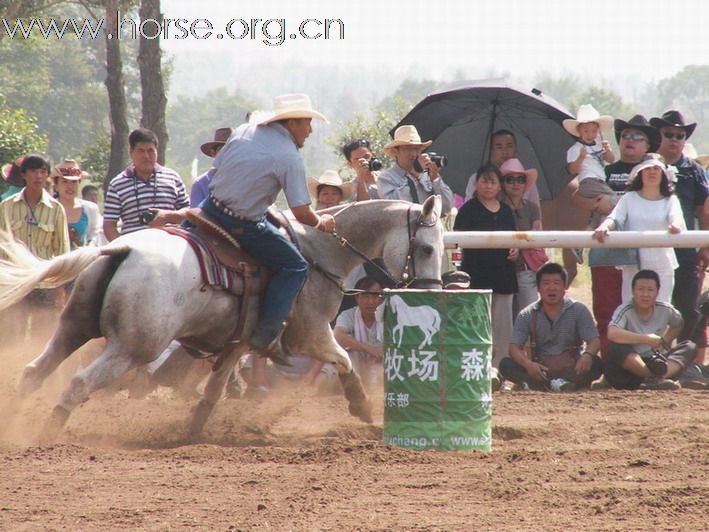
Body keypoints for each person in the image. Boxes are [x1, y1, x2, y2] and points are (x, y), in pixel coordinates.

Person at [180, 93, 336, 360]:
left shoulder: (243, 131)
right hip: (242, 223)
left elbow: (217, 169)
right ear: (292, 123)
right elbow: (300, 211)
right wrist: (321, 222)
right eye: (307, 123)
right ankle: (266, 333)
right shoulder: (289, 156)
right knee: (295, 266)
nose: (310, 131)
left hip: (209, 210)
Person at [572, 115, 660, 357]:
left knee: (646, 311)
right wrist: (596, 203)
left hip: (642, 254)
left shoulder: (652, 172)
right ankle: (612, 366)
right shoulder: (604, 170)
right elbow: (577, 196)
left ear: (648, 145)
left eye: (636, 137)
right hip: (605, 250)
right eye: (625, 136)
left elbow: (655, 200)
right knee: (606, 310)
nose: (629, 140)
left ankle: (647, 366)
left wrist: (613, 202)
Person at [650, 110, 709, 346]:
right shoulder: (648, 166)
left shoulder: (693, 170)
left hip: (684, 249)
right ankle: (651, 359)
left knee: (688, 305)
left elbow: (704, 209)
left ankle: (685, 362)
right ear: (659, 136)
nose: (674, 139)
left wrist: (705, 245)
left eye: (680, 135)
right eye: (669, 134)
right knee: (651, 303)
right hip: (651, 245)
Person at [594, 155, 685, 304]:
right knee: (631, 308)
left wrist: (674, 226)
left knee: (661, 308)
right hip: (633, 264)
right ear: (640, 173)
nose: (652, 172)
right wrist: (604, 226)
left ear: (663, 174)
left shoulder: (671, 200)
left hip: (662, 264)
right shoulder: (629, 198)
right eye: (647, 168)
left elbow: (676, 219)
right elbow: (615, 217)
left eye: (656, 169)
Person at [0, 154, 70, 344]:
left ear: (47, 175)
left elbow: (62, 251)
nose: (38, 176)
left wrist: (60, 288)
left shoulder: (56, 209)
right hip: (14, 282)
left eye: (43, 172)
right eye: (33, 171)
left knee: (45, 336)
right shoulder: (6, 207)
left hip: (45, 282)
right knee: (10, 336)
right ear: (23, 175)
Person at [500, 262, 603, 391]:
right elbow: (514, 347)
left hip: (571, 366)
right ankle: (551, 384)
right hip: (540, 368)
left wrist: (587, 355)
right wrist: (528, 365)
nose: (551, 288)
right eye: (546, 283)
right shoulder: (527, 314)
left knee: (596, 364)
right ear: (538, 288)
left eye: (556, 283)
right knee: (506, 364)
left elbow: (594, 340)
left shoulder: (578, 310)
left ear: (565, 287)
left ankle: (549, 384)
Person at [453, 163, 518, 368]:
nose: (488, 186)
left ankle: (502, 367)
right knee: (476, 323)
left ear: (499, 186)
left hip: (504, 275)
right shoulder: (468, 210)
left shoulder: (507, 211)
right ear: (476, 183)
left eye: (493, 182)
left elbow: (514, 238)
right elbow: (457, 242)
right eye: (484, 181)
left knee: (503, 325)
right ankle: (478, 366)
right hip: (476, 275)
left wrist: (515, 249)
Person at [605, 270, 696, 390]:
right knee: (616, 347)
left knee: (690, 346)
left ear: (657, 292)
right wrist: (646, 339)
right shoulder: (625, 310)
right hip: (631, 364)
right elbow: (612, 333)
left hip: (656, 361)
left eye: (650, 290)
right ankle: (652, 378)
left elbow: (679, 323)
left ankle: (659, 378)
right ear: (633, 291)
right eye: (641, 289)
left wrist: (665, 341)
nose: (645, 294)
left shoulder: (665, 310)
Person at [103, 128, 189, 240]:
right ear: (131, 152)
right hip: (134, 249)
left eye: (150, 151)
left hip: (170, 246)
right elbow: (109, 224)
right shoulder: (117, 184)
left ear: (157, 151)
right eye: (141, 151)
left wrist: (167, 216)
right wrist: (122, 252)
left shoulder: (173, 178)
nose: (146, 156)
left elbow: (188, 211)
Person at [563, 104, 616, 263]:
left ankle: (581, 242)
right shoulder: (576, 148)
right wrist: (580, 157)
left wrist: (608, 150)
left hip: (599, 180)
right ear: (579, 131)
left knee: (596, 214)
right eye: (586, 131)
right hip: (589, 180)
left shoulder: (600, 146)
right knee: (615, 200)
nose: (590, 134)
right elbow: (572, 169)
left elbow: (610, 160)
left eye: (593, 131)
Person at [500, 158, 546, 313]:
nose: (516, 183)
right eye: (510, 179)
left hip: (526, 269)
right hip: (503, 269)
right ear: (502, 183)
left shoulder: (533, 208)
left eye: (520, 179)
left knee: (528, 315)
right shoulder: (497, 208)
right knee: (505, 317)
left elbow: (535, 235)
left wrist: (517, 243)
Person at [321, 276, 384, 390]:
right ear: (357, 297)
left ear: (381, 298)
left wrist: (377, 354)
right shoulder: (348, 315)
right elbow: (338, 336)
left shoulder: (389, 316)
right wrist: (369, 349)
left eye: (375, 296)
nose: (370, 302)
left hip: (381, 364)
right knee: (331, 368)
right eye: (366, 296)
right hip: (356, 364)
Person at [378, 125, 453, 215]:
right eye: (408, 149)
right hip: (403, 228)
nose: (414, 154)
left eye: (417, 149)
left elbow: (447, 207)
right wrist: (415, 177)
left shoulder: (427, 174)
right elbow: (392, 206)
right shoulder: (386, 178)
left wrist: (435, 179)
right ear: (395, 152)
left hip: (429, 227)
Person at [463, 129, 541, 208]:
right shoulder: (477, 178)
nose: (505, 152)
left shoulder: (525, 180)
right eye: (499, 147)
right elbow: (468, 207)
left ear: (516, 149)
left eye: (509, 146)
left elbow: (535, 211)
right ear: (492, 151)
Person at [52, 159, 101, 248]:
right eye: (64, 182)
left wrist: (91, 244)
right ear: (56, 186)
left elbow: (94, 233)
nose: (70, 186)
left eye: (74, 182)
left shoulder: (90, 209)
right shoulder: (48, 209)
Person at [190, 127, 233, 207]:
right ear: (213, 153)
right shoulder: (200, 184)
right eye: (223, 150)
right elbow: (195, 215)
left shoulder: (243, 180)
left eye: (232, 150)